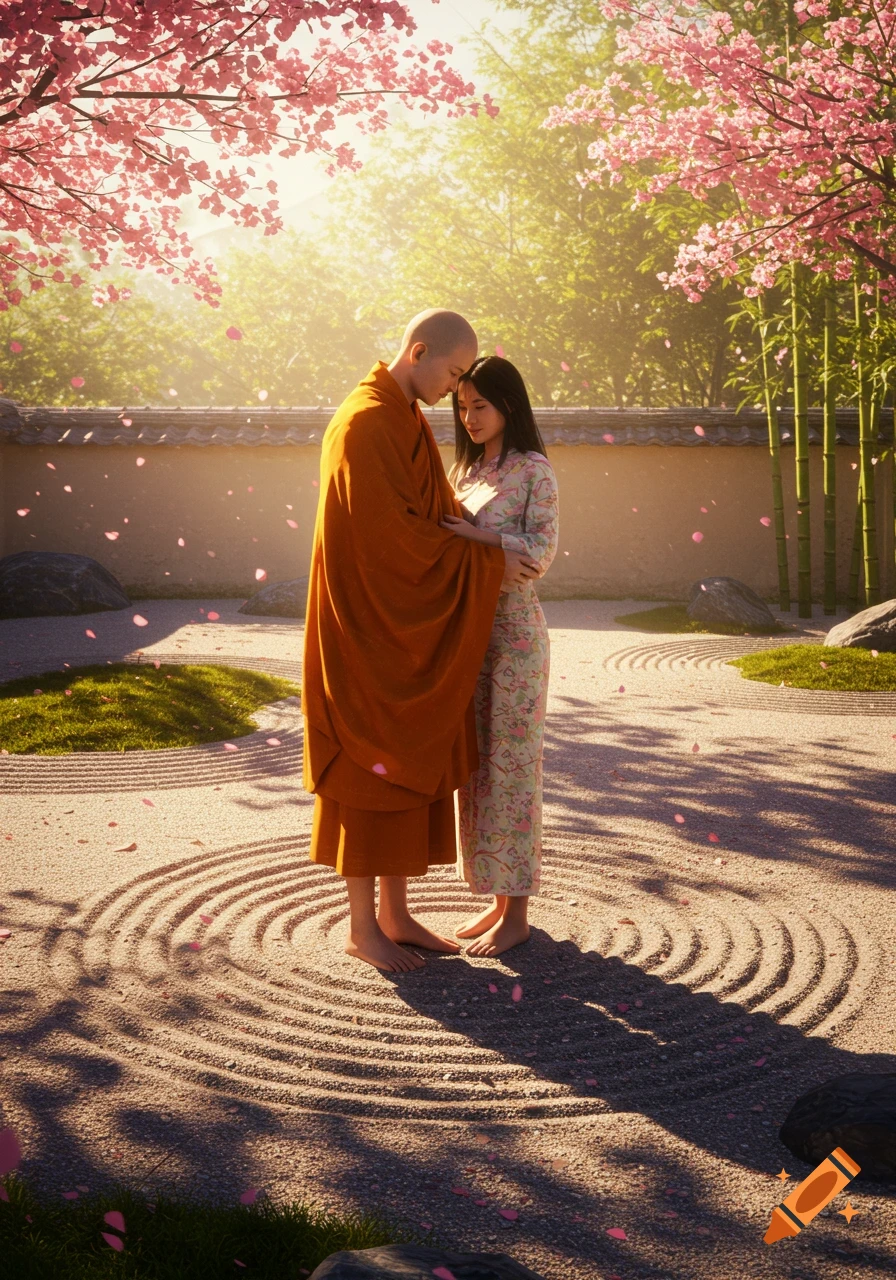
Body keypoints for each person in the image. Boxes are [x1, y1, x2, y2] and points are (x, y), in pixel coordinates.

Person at [302, 311, 543, 973]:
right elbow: (391, 541)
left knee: (404, 752)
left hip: (395, 623)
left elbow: (432, 516)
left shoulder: (400, 416)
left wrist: (486, 551)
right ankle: (362, 927)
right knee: (367, 764)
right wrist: (490, 563)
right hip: (367, 624)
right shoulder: (365, 422)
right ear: (418, 352)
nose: (456, 392)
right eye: (453, 374)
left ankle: (395, 914)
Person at [439, 356, 559, 956]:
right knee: (478, 772)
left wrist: (475, 537)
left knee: (513, 771)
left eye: (479, 405)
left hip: (515, 641)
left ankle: (518, 915)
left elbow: (538, 555)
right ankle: (494, 898)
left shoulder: (534, 470)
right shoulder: (465, 471)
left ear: (508, 405)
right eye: (462, 407)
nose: (469, 417)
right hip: (469, 641)